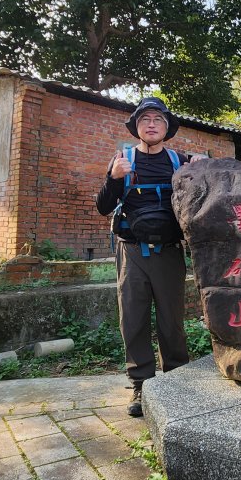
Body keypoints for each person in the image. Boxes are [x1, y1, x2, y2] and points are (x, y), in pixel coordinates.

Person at [96, 97, 206, 417]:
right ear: (137, 127)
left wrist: (203, 165)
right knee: (133, 319)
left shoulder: (179, 161)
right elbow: (103, 207)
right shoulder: (122, 161)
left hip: (169, 253)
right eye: (145, 119)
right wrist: (113, 179)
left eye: (158, 118)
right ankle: (141, 384)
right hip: (131, 252)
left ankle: (176, 380)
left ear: (166, 127)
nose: (152, 123)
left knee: (172, 321)